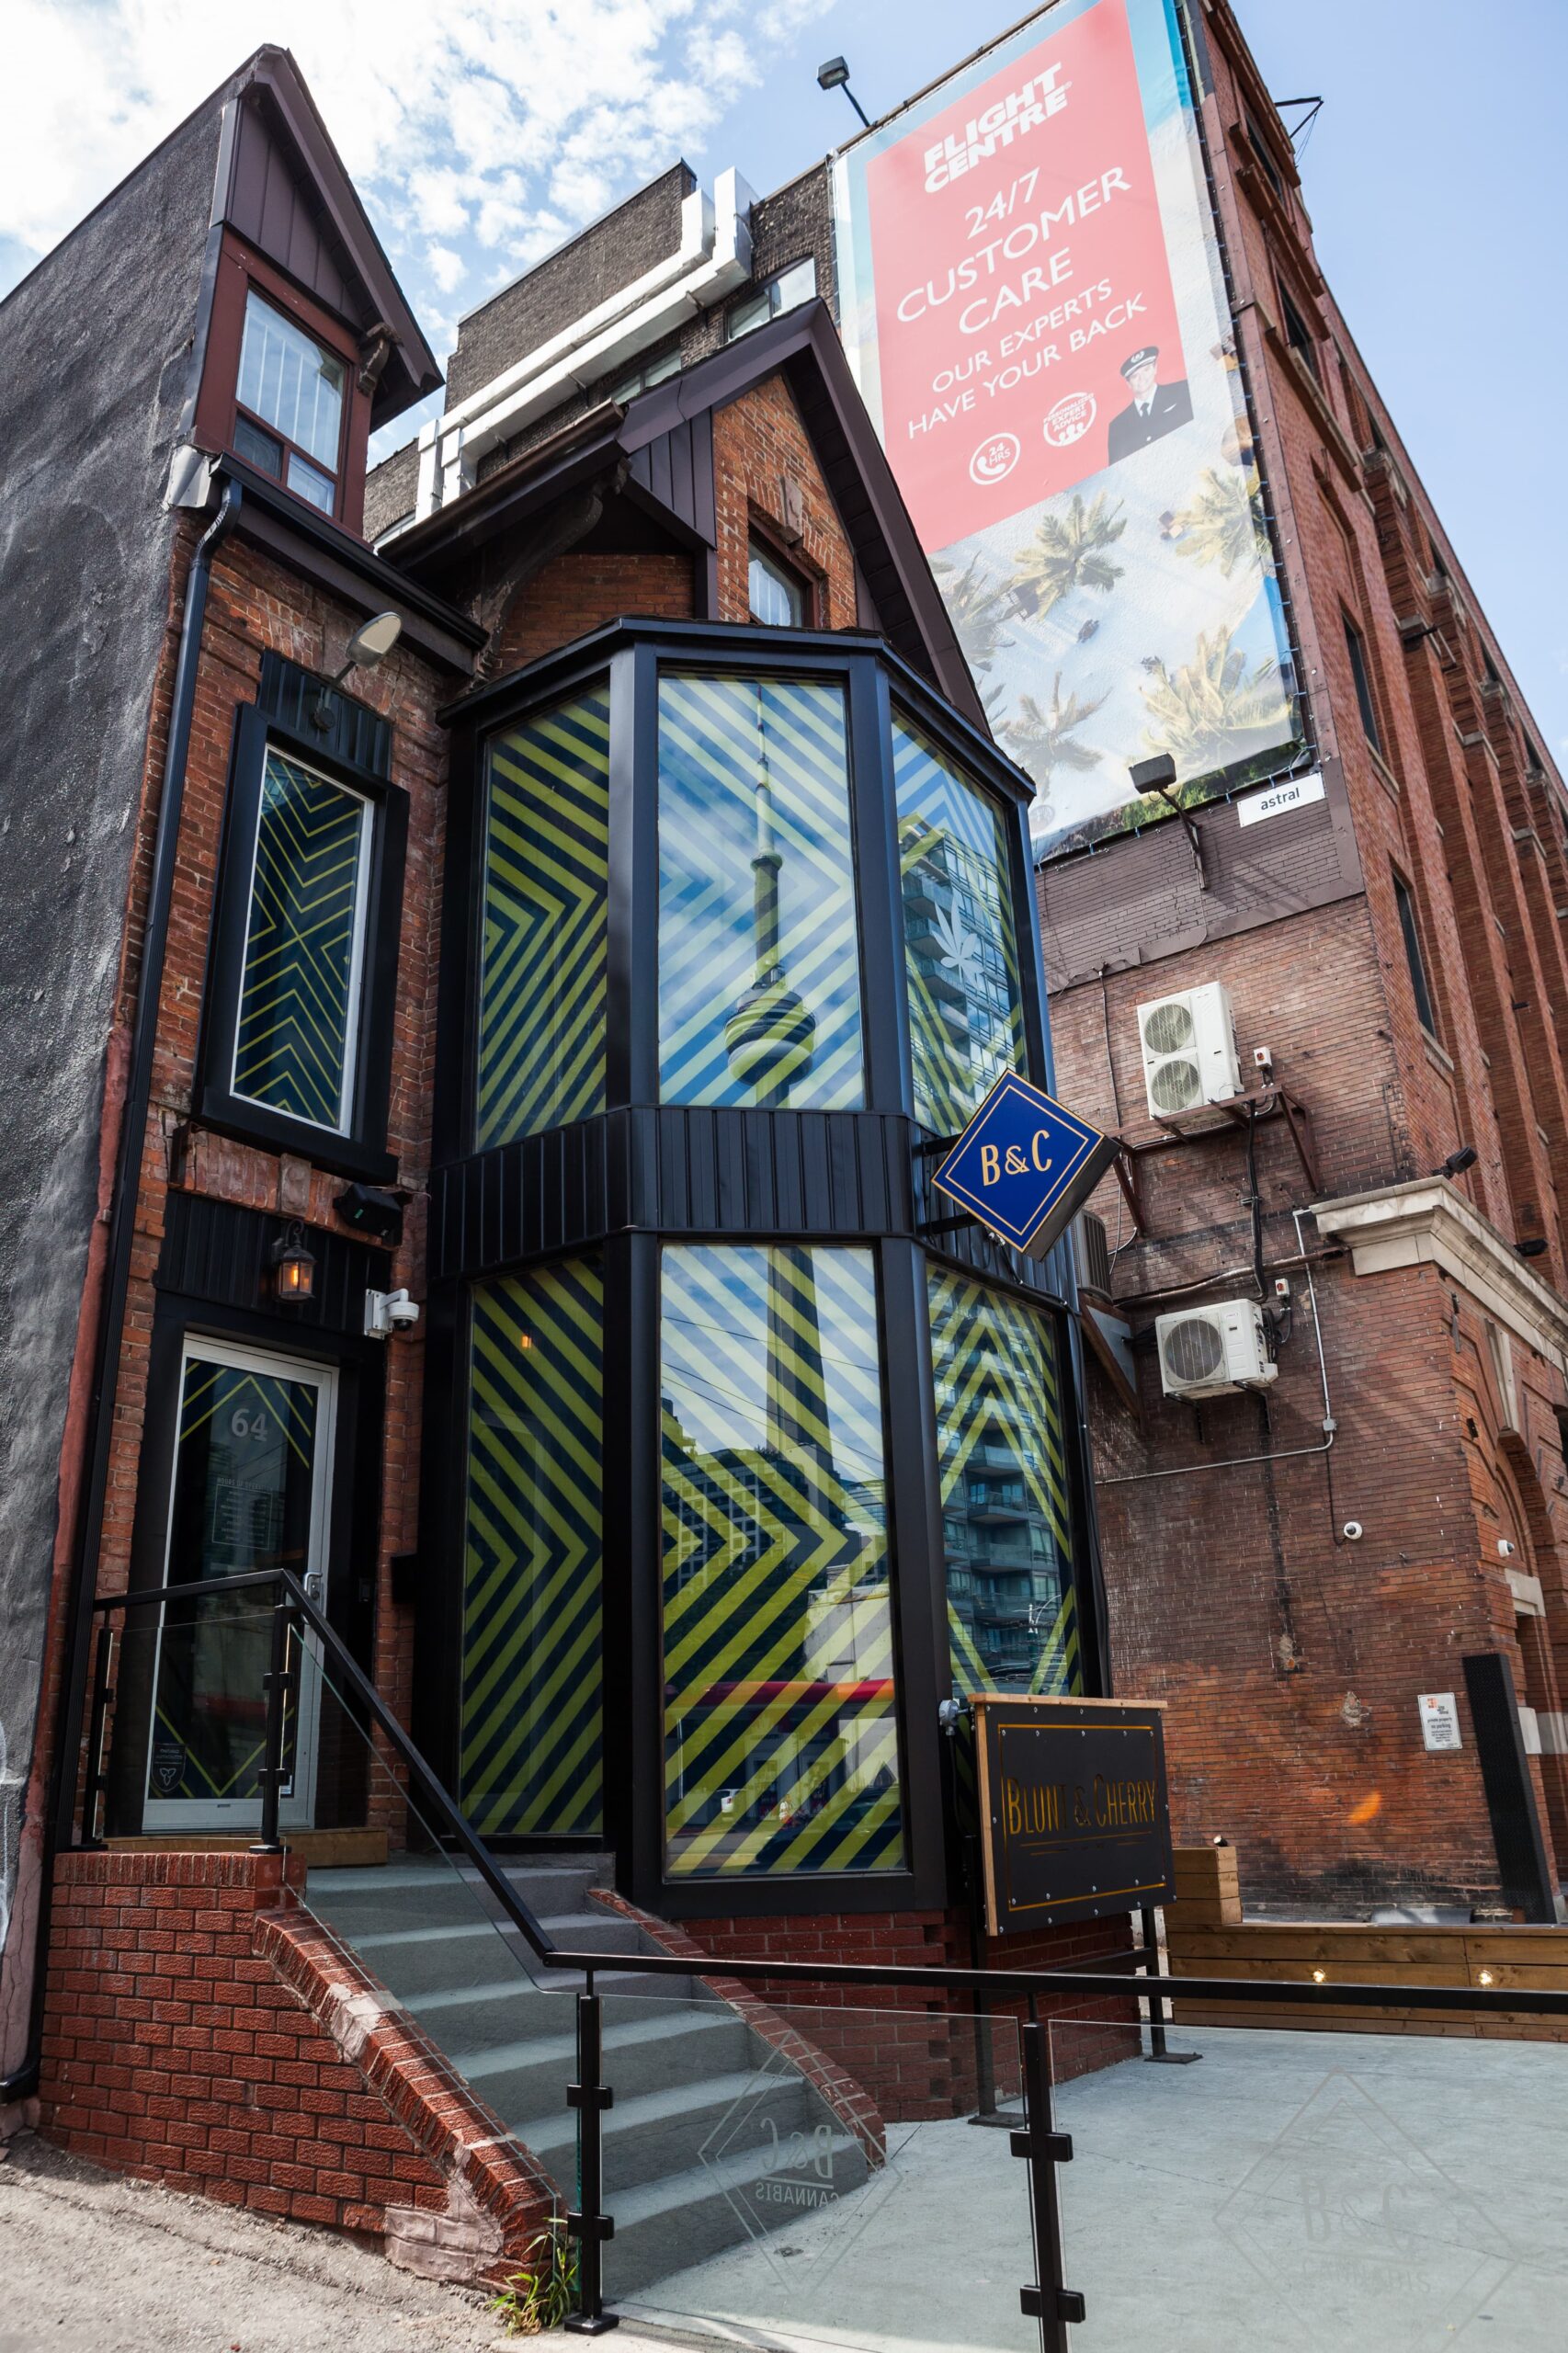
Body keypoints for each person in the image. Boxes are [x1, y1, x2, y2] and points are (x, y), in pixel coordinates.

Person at [1105, 346, 1193, 464]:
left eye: (1146, 370)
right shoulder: (1117, 426)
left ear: (1155, 368)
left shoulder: (1182, 390)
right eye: (1135, 376)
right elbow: (1117, 465)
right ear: (1128, 384)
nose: (1142, 378)